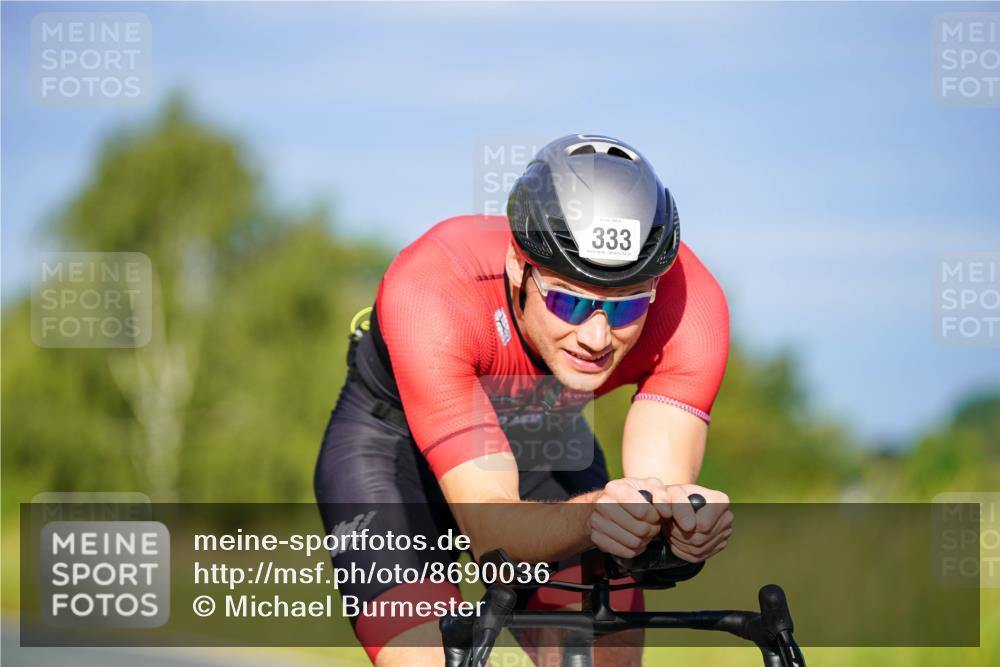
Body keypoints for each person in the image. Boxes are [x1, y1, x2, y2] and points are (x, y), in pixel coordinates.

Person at [315, 134, 733, 667]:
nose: (598, 337)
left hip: (542, 434)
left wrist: (679, 534)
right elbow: (492, 528)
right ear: (518, 267)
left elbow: (660, 493)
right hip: (390, 448)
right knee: (434, 660)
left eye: (627, 308)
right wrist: (594, 518)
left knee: (607, 656)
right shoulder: (434, 288)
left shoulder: (690, 309)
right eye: (568, 301)